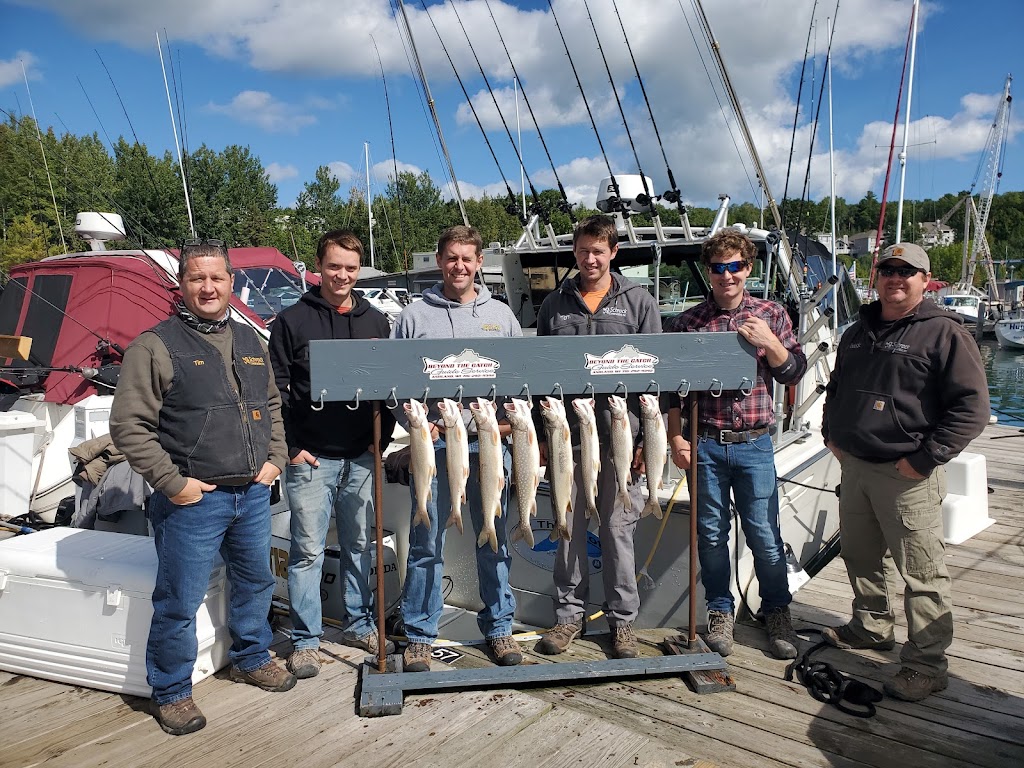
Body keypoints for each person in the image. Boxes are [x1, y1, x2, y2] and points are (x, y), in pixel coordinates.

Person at [110, 239, 295, 737]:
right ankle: (171, 691)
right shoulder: (155, 346)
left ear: (232, 283)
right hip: (192, 501)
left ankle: (251, 657)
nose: (208, 287)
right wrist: (172, 483)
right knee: (179, 600)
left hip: (252, 494)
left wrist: (276, 459)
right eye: (197, 278)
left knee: (256, 582)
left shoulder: (250, 339)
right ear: (182, 284)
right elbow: (129, 426)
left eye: (217, 278)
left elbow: (271, 407)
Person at [822, 242, 989, 701]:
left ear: (925, 280)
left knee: (921, 572)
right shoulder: (858, 331)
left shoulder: (944, 333)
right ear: (877, 276)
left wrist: (924, 459)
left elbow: (972, 408)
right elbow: (836, 387)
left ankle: (926, 664)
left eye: (907, 271)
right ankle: (871, 626)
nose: (896, 278)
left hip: (907, 474)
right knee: (860, 556)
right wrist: (830, 434)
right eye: (888, 269)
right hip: (855, 466)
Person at [664, 229, 805, 660]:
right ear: (708, 271)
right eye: (718, 267)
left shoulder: (772, 313)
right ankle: (720, 611)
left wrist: (771, 344)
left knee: (764, 533)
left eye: (735, 266)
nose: (727, 275)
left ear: (748, 268)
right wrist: (675, 437)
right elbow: (672, 389)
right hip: (705, 444)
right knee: (710, 535)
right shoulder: (688, 322)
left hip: (755, 445)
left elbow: (794, 371)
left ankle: (776, 610)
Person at [391, 224, 524, 672]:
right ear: (439, 260)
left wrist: (509, 424)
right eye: (451, 258)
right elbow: (391, 385)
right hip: (435, 449)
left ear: (479, 262)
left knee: (494, 539)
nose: (459, 266)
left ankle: (500, 628)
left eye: (467, 258)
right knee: (427, 542)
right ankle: (419, 635)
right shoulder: (412, 317)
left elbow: (522, 380)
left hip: (490, 447)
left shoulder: (502, 316)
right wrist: (415, 425)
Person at [532, 214, 661, 660]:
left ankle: (622, 622)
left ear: (613, 253)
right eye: (584, 251)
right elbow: (540, 376)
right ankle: (568, 615)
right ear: (575, 251)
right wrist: (542, 435)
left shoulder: (639, 302)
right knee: (568, 529)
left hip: (621, 441)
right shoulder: (554, 305)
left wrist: (646, 443)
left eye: (599, 251)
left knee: (617, 530)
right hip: (567, 440)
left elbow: (656, 377)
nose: (591, 259)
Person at [269, 230, 397, 680]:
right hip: (311, 458)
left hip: (362, 455)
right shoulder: (291, 321)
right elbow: (275, 391)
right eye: (334, 266)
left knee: (360, 544)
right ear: (318, 267)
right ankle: (306, 640)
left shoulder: (377, 321)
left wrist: (383, 439)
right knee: (307, 551)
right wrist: (291, 447)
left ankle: (359, 623)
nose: (342, 275)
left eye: (350, 268)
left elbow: (389, 386)